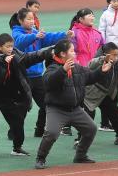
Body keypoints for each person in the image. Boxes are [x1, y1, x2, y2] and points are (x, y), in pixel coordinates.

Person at [0, 33, 53, 159]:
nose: (10, 49)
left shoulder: (16, 55)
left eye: (11, 46)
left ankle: (17, 148)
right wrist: (2, 59)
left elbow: (32, 56)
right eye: (7, 46)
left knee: (18, 122)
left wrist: (50, 50)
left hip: (8, 97)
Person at [34, 38, 109, 169]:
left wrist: (101, 71)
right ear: (63, 54)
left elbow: (90, 77)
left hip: (75, 109)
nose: (75, 53)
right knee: (51, 133)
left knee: (91, 129)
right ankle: (40, 158)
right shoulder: (52, 68)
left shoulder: (76, 67)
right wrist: (63, 70)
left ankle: (80, 155)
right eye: (72, 51)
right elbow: (49, 83)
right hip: (57, 109)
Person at [10, 8, 70, 137]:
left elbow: (49, 37)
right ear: (20, 20)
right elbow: (20, 42)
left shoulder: (35, 32)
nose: (32, 21)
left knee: (47, 104)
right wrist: (34, 36)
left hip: (37, 77)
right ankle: (13, 132)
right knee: (22, 107)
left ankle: (40, 129)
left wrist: (64, 35)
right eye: (28, 19)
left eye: (33, 19)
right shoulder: (16, 33)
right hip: (22, 77)